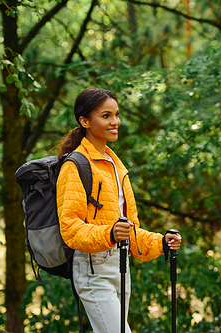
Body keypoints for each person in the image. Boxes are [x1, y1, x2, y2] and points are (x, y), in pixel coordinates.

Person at [56, 87, 182, 333]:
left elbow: (128, 229)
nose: (115, 122)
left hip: (120, 265)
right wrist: (110, 235)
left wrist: (161, 242)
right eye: (106, 116)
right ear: (85, 121)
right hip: (92, 268)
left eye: (116, 114)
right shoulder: (75, 165)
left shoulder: (116, 165)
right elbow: (70, 228)